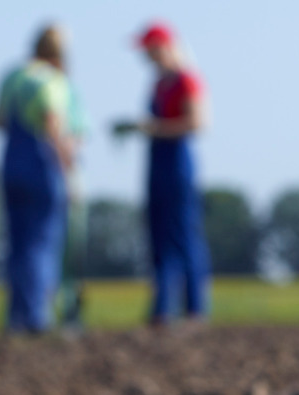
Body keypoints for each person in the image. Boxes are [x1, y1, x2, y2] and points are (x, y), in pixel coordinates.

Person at [115, 22, 211, 327]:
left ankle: (195, 310)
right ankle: (161, 310)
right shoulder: (158, 83)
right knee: (158, 236)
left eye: (150, 49)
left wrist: (152, 128)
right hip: (156, 163)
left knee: (183, 235)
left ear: (165, 47)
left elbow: (198, 123)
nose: (146, 56)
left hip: (178, 162)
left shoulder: (187, 80)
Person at [0, 25, 79, 333]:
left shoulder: (11, 77)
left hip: (11, 164)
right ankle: (35, 318)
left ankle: (16, 316)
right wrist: (69, 172)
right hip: (41, 165)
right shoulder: (51, 80)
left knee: (17, 243)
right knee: (42, 241)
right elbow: (53, 127)